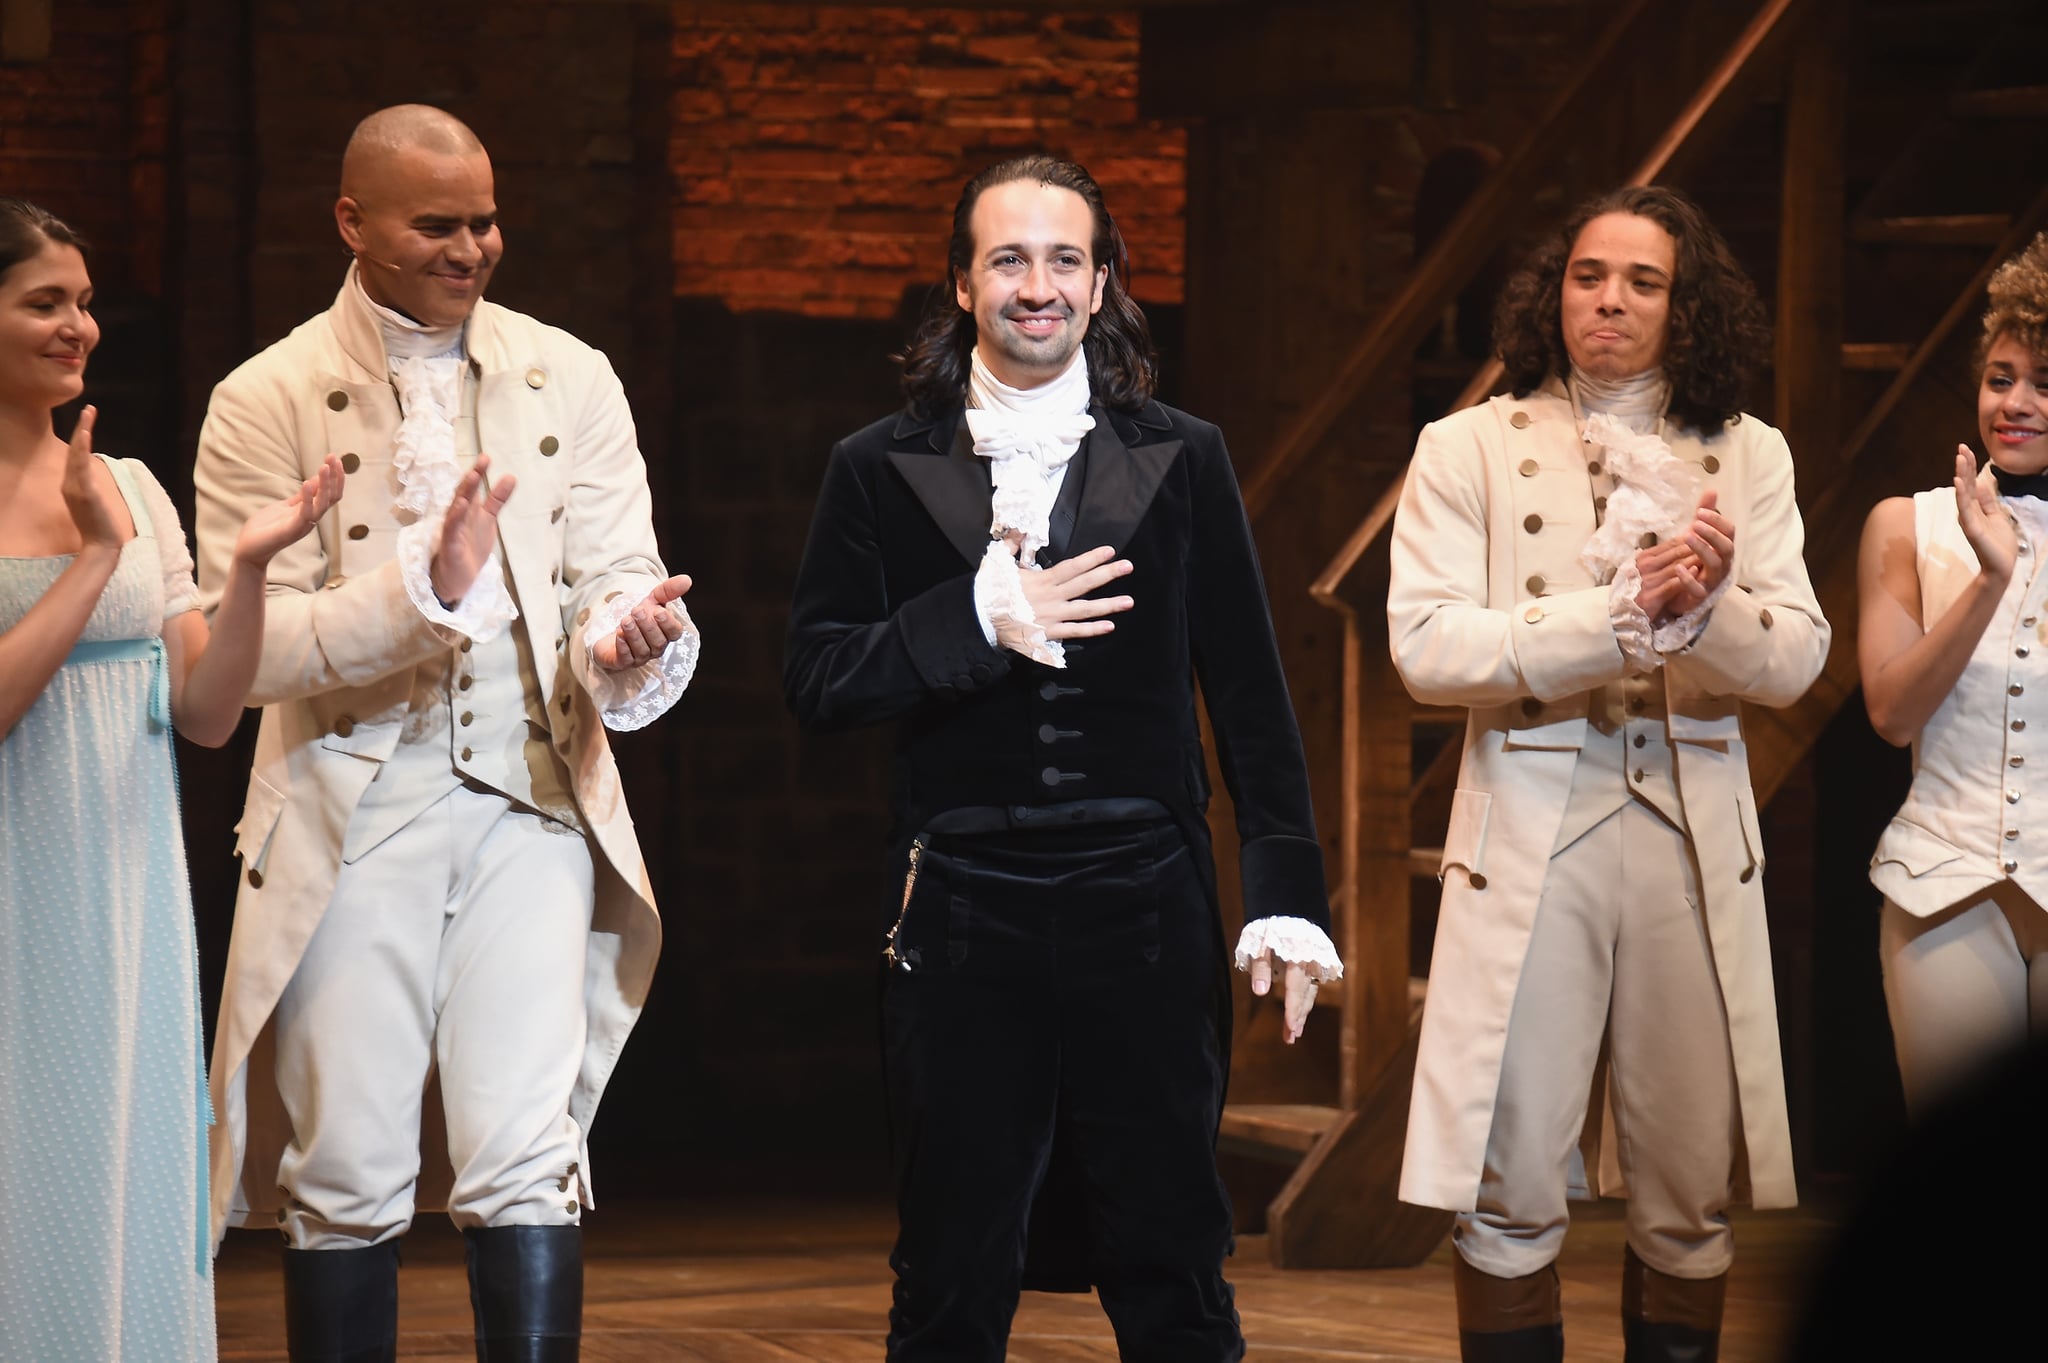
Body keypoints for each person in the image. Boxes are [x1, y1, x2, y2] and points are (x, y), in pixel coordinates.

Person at [783, 154, 1339, 1362]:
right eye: (1008, 258)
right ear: (959, 281)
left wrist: (1285, 900)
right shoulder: (875, 467)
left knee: (1172, 1253)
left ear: (1100, 284)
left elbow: (1247, 690)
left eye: (1062, 259)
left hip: (1142, 899)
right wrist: (968, 621)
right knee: (951, 1261)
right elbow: (817, 679)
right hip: (962, 904)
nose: (1036, 284)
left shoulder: (1181, 455)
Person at [192, 105, 698, 1361]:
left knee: (529, 1156)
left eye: (485, 219)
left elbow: (611, 569)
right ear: (352, 222)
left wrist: (623, 634)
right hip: (350, 806)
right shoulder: (265, 398)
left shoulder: (566, 373)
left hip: (531, 797)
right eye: (437, 225)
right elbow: (251, 654)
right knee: (348, 1163)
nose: (473, 247)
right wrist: (424, 590)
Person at [1386, 184, 1829, 1363]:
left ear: (1684, 308)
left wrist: (1711, 604)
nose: (1610, 301)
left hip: (1683, 824)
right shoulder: (1465, 444)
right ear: (1553, 291)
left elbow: (1794, 659)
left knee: (1688, 1174)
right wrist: (1607, 620)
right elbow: (1424, 647)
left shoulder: (1746, 454)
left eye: (1642, 281)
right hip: (1535, 811)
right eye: (1588, 275)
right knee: (1510, 1158)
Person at [0, 198, 340, 1362]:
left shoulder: (135, 487)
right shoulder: (106, 520)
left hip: (125, 898)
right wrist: (94, 560)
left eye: (84, 301)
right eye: (44, 301)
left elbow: (201, 715)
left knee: (122, 1163)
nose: (77, 325)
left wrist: (248, 571)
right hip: (16, 889)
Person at [1859, 230, 2048, 1116]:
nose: (2018, 402)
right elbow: (1893, 712)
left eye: (2045, 382)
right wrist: (1990, 580)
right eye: (2002, 377)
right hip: (1942, 882)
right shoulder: (1907, 524)